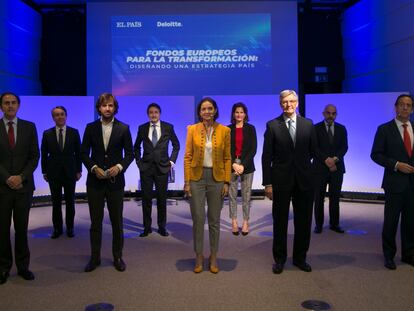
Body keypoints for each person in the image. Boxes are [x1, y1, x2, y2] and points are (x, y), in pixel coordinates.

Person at [262, 90, 318, 274]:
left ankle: (300, 258)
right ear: (280, 104)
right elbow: (266, 157)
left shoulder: (308, 124)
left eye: (292, 101)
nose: (289, 104)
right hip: (280, 181)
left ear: (297, 103)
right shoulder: (272, 126)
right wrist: (267, 184)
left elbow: (313, 152)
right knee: (280, 222)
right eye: (285, 102)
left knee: (303, 221)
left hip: (304, 181)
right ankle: (279, 259)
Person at [81, 93, 134, 272]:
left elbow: (130, 154)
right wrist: (93, 167)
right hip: (94, 182)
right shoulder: (90, 128)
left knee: (117, 222)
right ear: (99, 108)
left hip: (115, 182)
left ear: (115, 107)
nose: (107, 109)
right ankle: (94, 258)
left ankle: (118, 256)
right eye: (104, 106)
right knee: (95, 222)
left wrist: (119, 167)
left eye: (111, 105)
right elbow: (83, 153)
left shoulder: (124, 128)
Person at [184, 97, 231, 274]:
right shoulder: (192, 129)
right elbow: (187, 157)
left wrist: (227, 181)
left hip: (216, 178)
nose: (207, 112)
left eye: (210, 108)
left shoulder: (225, 130)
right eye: (203, 109)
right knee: (198, 218)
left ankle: (213, 256)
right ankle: (198, 256)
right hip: (197, 178)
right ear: (199, 112)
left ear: (215, 110)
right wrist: (187, 182)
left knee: (214, 220)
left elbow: (227, 158)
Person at [371, 94, 414, 270]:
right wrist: (396, 165)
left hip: (412, 184)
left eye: (409, 105)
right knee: (391, 221)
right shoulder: (384, 129)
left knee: (411, 222)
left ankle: (408, 254)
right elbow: (376, 154)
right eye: (402, 105)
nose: (405, 108)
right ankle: (389, 255)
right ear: (395, 107)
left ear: (412, 109)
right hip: (394, 183)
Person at [0, 92, 39, 284]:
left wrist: (21, 177)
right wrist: (7, 177)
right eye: (6, 103)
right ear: (1, 106)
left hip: (24, 187)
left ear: (19, 105)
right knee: (2, 229)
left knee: (22, 229)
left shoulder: (29, 127)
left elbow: (34, 156)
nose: (10, 106)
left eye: (13, 103)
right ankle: (3, 267)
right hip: (2, 187)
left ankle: (23, 267)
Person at [134, 103, 180, 237]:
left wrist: (171, 161)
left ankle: (161, 227)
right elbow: (136, 147)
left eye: (156, 112)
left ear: (159, 114)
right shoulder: (142, 128)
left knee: (161, 199)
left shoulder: (168, 127)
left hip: (162, 169)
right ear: (148, 114)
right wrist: (138, 162)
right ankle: (146, 227)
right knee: (146, 199)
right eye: (151, 112)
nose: (153, 115)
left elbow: (176, 145)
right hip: (146, 169)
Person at [41, 106, 82, 239]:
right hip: (53, 173)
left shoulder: (74, 132)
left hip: (70, 172)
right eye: (56, 115)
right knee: (56, 202)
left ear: (66, 115)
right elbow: (44, 154)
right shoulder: (47, 134)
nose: (59, 117)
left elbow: (79, 153)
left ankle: (70, 228)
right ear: (53, 118)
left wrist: (79, 170)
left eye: (62, 114)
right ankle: (57, 229)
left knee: (70, 201)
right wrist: (44, 172)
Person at [313, 104, 348, 234]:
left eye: (333, 113)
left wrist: (334, 159)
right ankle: (319, 225)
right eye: (328, 113)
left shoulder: (341, 128)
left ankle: (334, 224)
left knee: (335, 198)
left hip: (337, 169)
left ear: (336, 114)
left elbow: (344, 147)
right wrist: (326, 159)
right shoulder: (315, 128)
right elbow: (314, 147)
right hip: (319, 169)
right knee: (318, 198)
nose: (331, 116)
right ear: (323, 113)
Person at [228, 102, 257, 236]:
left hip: (247, 166)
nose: (239, 114)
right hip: (231, 166)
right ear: (233, 114)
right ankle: (234, 221)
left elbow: (253, 149)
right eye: (237, 112)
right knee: (232, 196)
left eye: (241, 112)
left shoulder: (251, 128)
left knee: (246, 196)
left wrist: (242, 165)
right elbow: (226, 150)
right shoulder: (228, 129)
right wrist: (234, 164)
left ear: (245, 114)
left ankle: (245, 222)